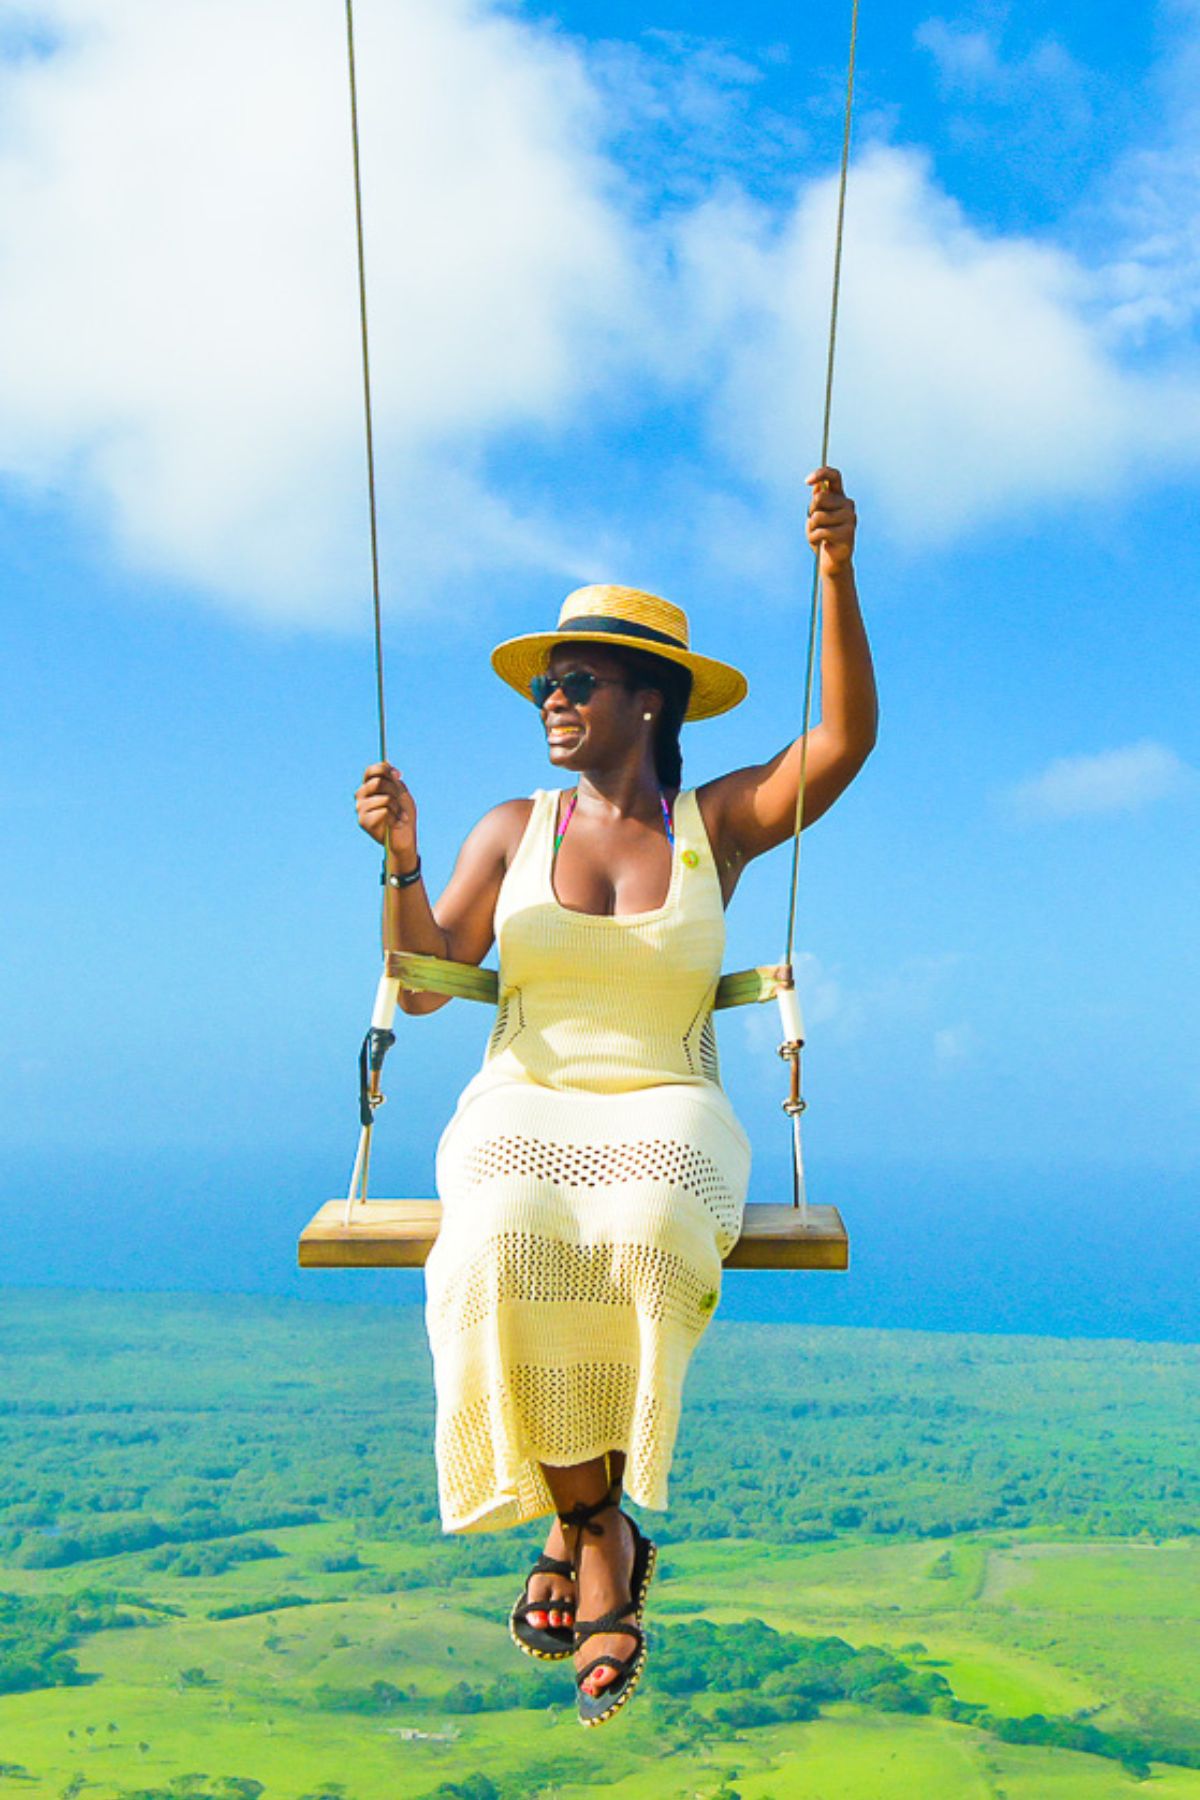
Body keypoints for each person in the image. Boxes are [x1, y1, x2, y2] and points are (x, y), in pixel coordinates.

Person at [355, 467, 877, 1726]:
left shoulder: (714, 824)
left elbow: (842, 743)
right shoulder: (512, 828)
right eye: (548, 681)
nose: (553, 698)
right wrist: (405, 862)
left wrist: (835, 571)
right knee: (498, 1236)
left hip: (666, 1096)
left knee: (642, 1229)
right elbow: (423, 985)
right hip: (524, 1093)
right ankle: (598, 1527)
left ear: (649, 698)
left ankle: (581, 1524)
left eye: (577, 680)